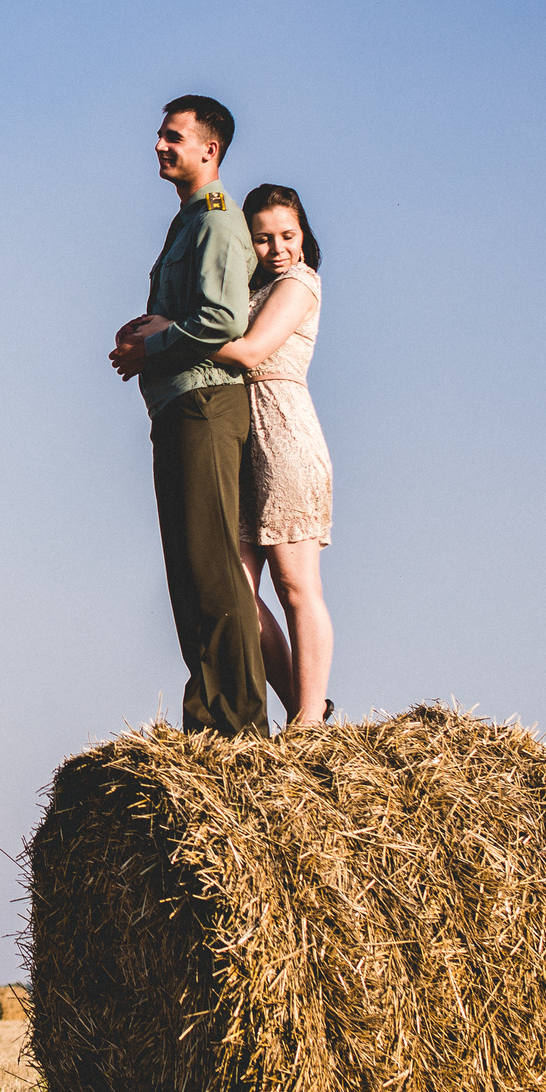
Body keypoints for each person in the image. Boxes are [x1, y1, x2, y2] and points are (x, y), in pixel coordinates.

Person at [108, 95, 270, 737]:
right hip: (178, 406)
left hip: (206, 405)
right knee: (186, 572)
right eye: (159, 135)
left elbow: (222, 320)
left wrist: (154, 344)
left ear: (210, 149)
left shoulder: (218, 222)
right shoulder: (185, 224)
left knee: (211, 569)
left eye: (173, 137)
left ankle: (240, 727)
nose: (158, 145)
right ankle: (208, 721)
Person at [207, 185, 334, 730]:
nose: (278, 247)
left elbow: (253, 351)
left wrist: (173, 336)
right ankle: (300, 709)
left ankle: (309, 720)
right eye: (263, 238)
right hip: (239, 435)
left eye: (288, 234)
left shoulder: (300, 282)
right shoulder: (247, 288)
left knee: (296, 585)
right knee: (238, 589)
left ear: (303, 236)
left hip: (285, 433)